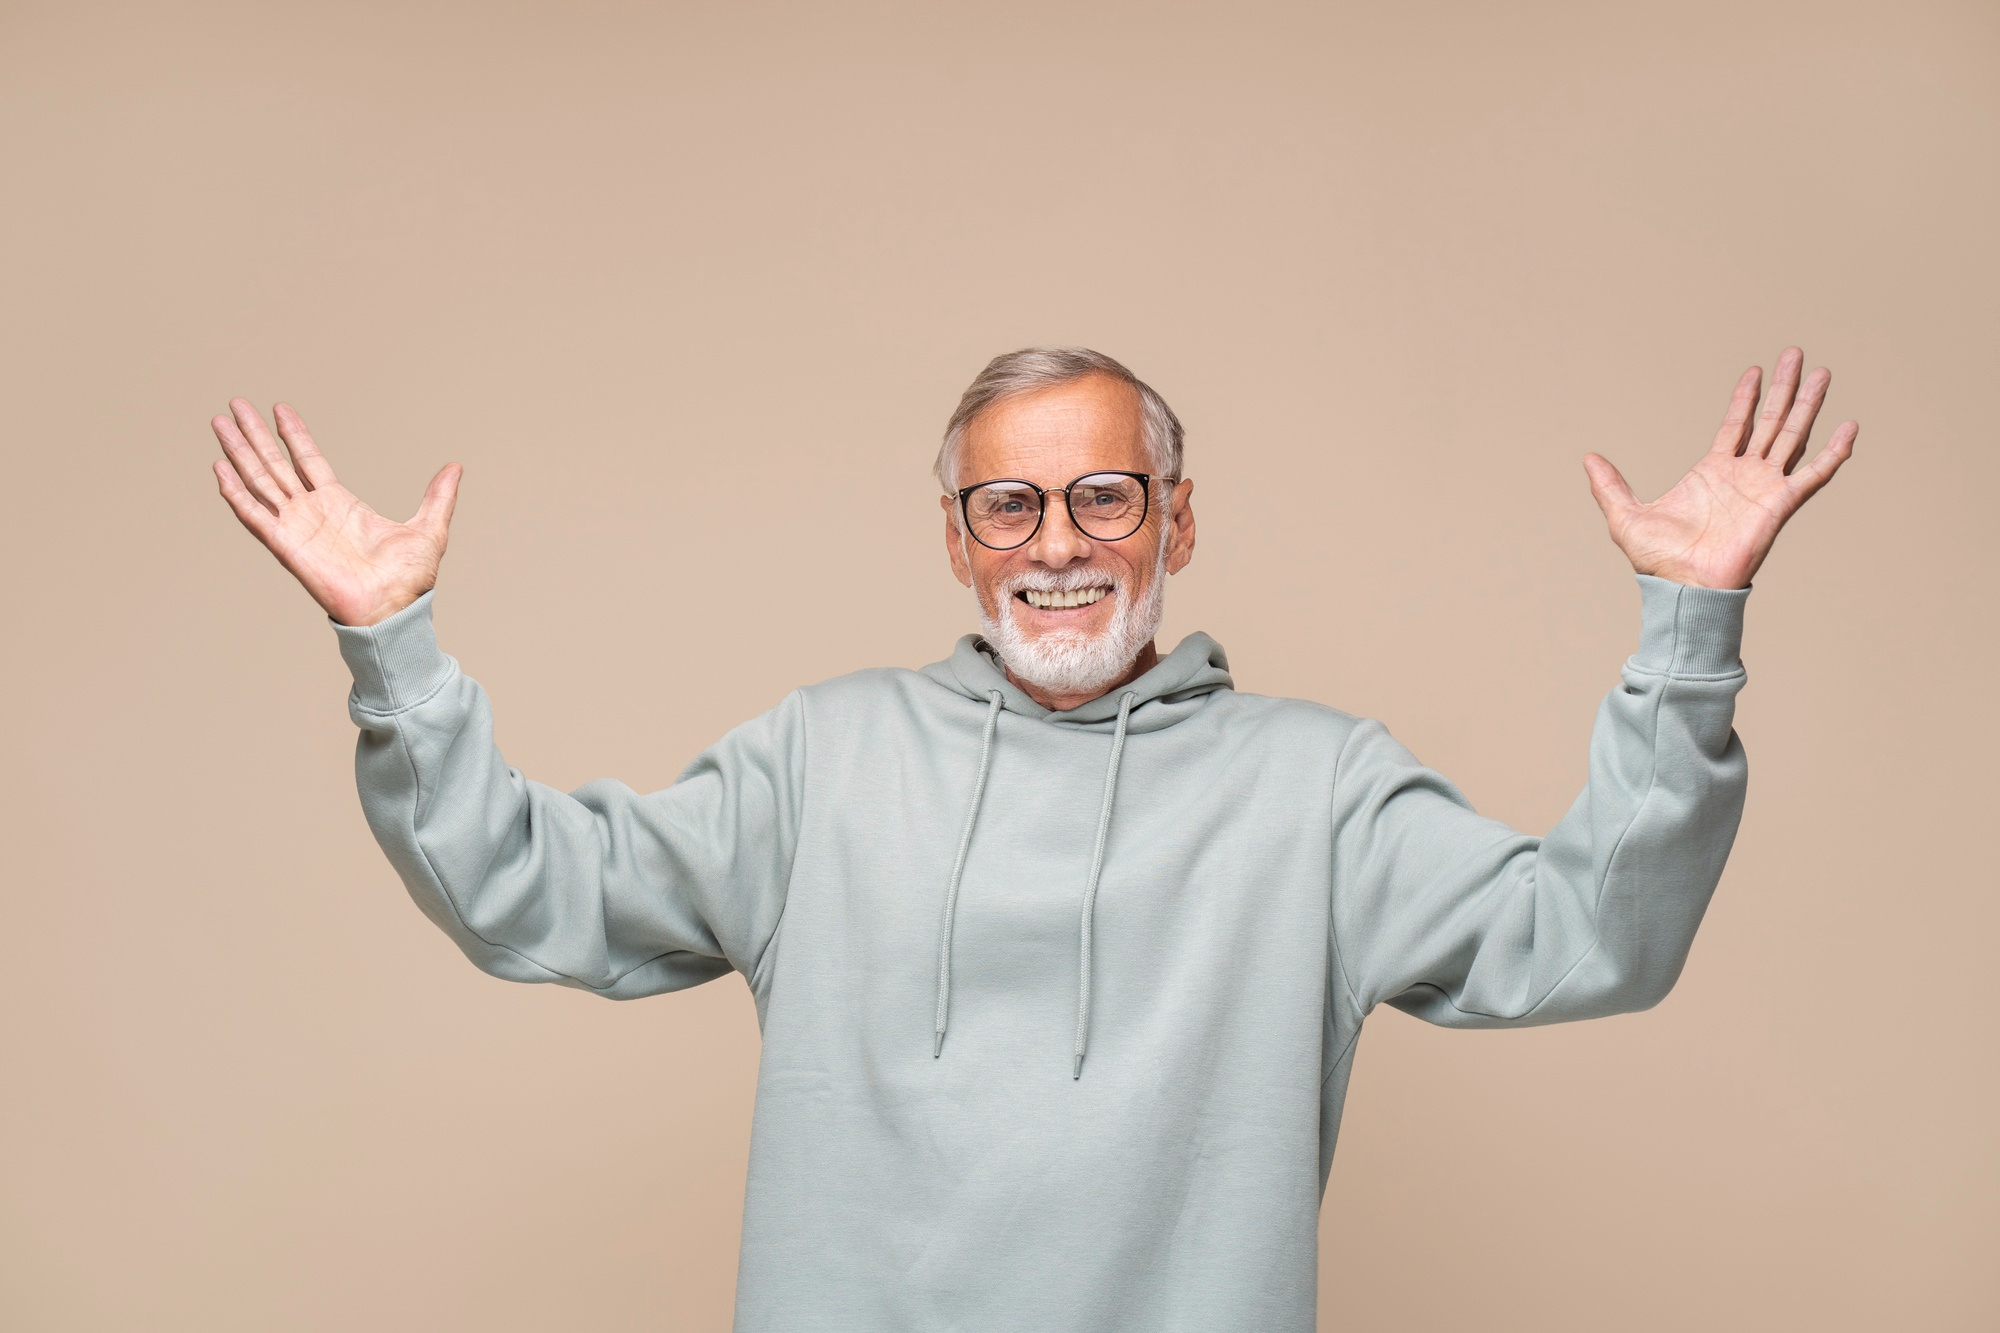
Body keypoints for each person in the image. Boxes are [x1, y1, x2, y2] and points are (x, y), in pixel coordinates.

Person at [211, 346, 1855, 1332]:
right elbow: (523, 892)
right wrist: (396, 647)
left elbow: (1601, 938)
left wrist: (1689, 626)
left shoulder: (1322, 792)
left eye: (1105, 497)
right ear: (956, 536)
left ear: (1179, 520)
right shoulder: (820, 760)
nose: (1056, 544)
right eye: (1010, 503)